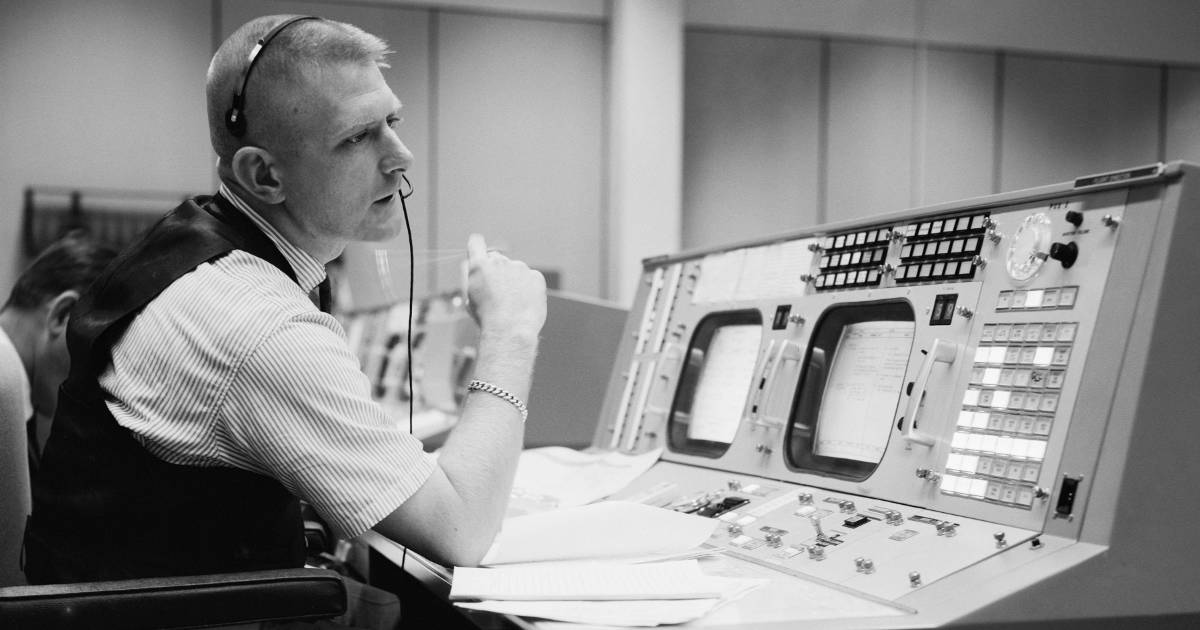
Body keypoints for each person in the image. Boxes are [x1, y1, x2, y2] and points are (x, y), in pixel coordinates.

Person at [25, 13, 546, 603]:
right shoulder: (254, 323)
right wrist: (511, 329)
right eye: (356, 137)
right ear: (263, 175)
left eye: (392, 120)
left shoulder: (193, 250)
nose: (400, 157)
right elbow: (461, 531)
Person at [0, 234, 116, 586]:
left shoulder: (16, 390)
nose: (104, 381)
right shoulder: (3, 376)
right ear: (64, 314)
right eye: (104, 354)